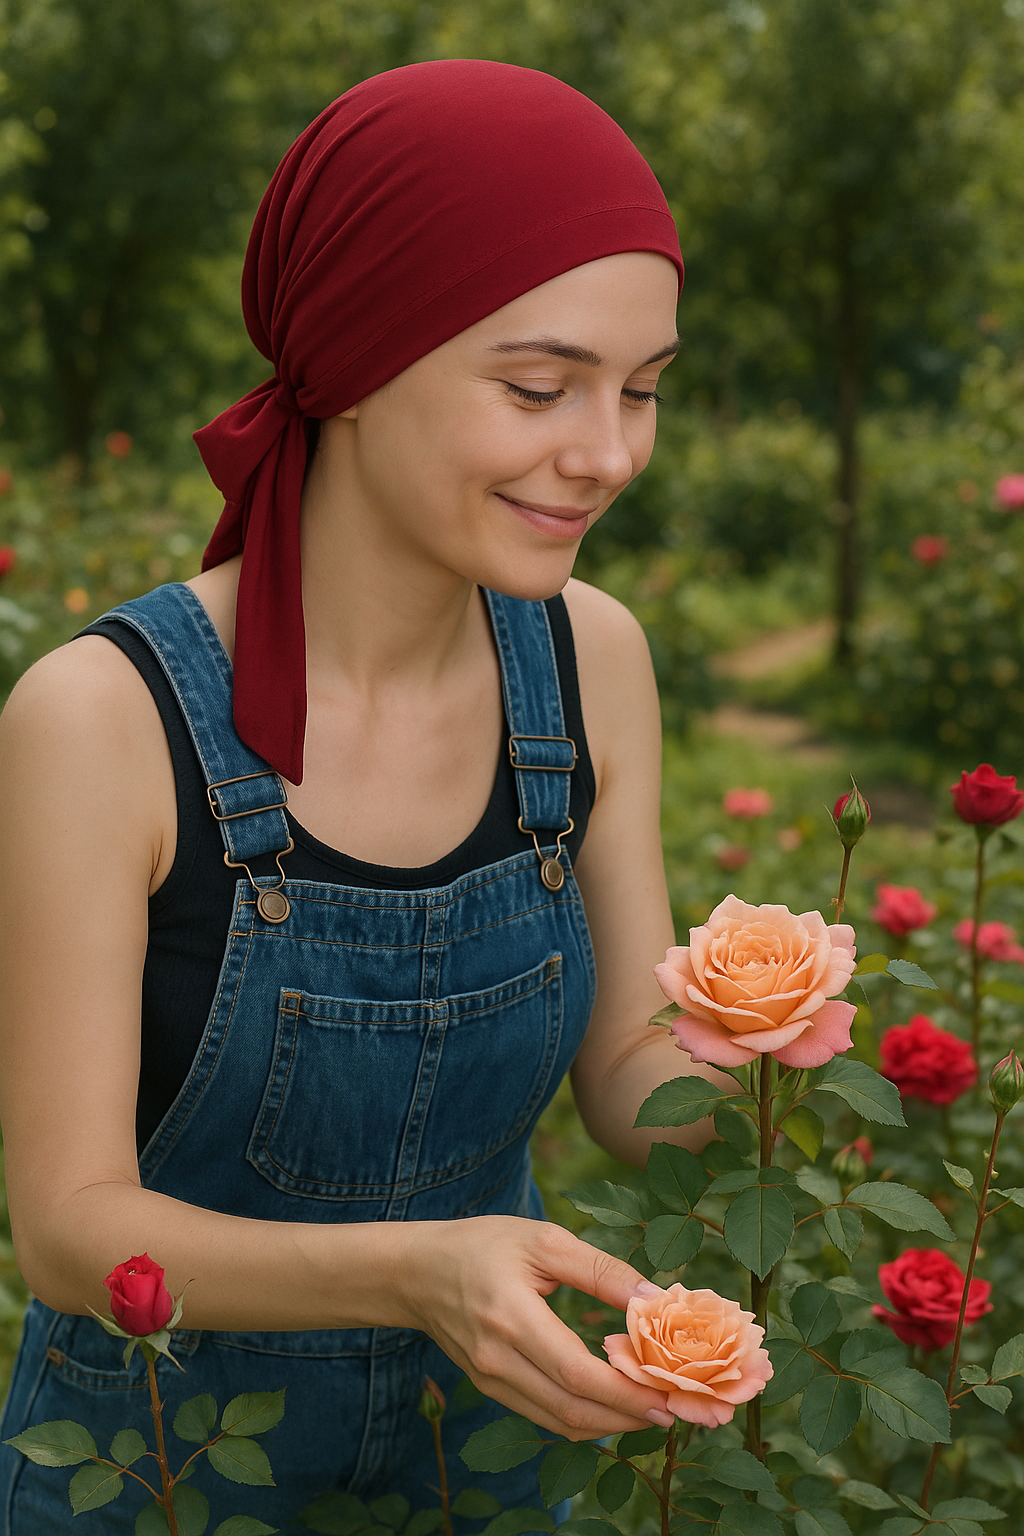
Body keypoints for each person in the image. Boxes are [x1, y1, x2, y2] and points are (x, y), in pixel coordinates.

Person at [0, 59, 721, 1531]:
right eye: (538, 386)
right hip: (163, 1467)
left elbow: (633, 1093)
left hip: (493, 1457)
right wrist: (421, 1271)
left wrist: (791, 1055)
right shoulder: (105, 718)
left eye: (642, 391)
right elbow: (71, 1236)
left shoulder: (590, 663)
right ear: (354, 359)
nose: (606, 454)